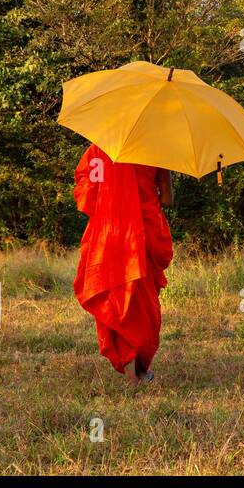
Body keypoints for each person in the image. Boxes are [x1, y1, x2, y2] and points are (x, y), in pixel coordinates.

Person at [72, 144, 174, 385]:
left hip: (108, 233)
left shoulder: (99, 149)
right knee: (142, 303)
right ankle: (138, 372)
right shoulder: (157, 150)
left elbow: (88, 191)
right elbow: (168, 199)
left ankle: (132, 373)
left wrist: (113, 198)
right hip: (142, 233)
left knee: (115, 298)